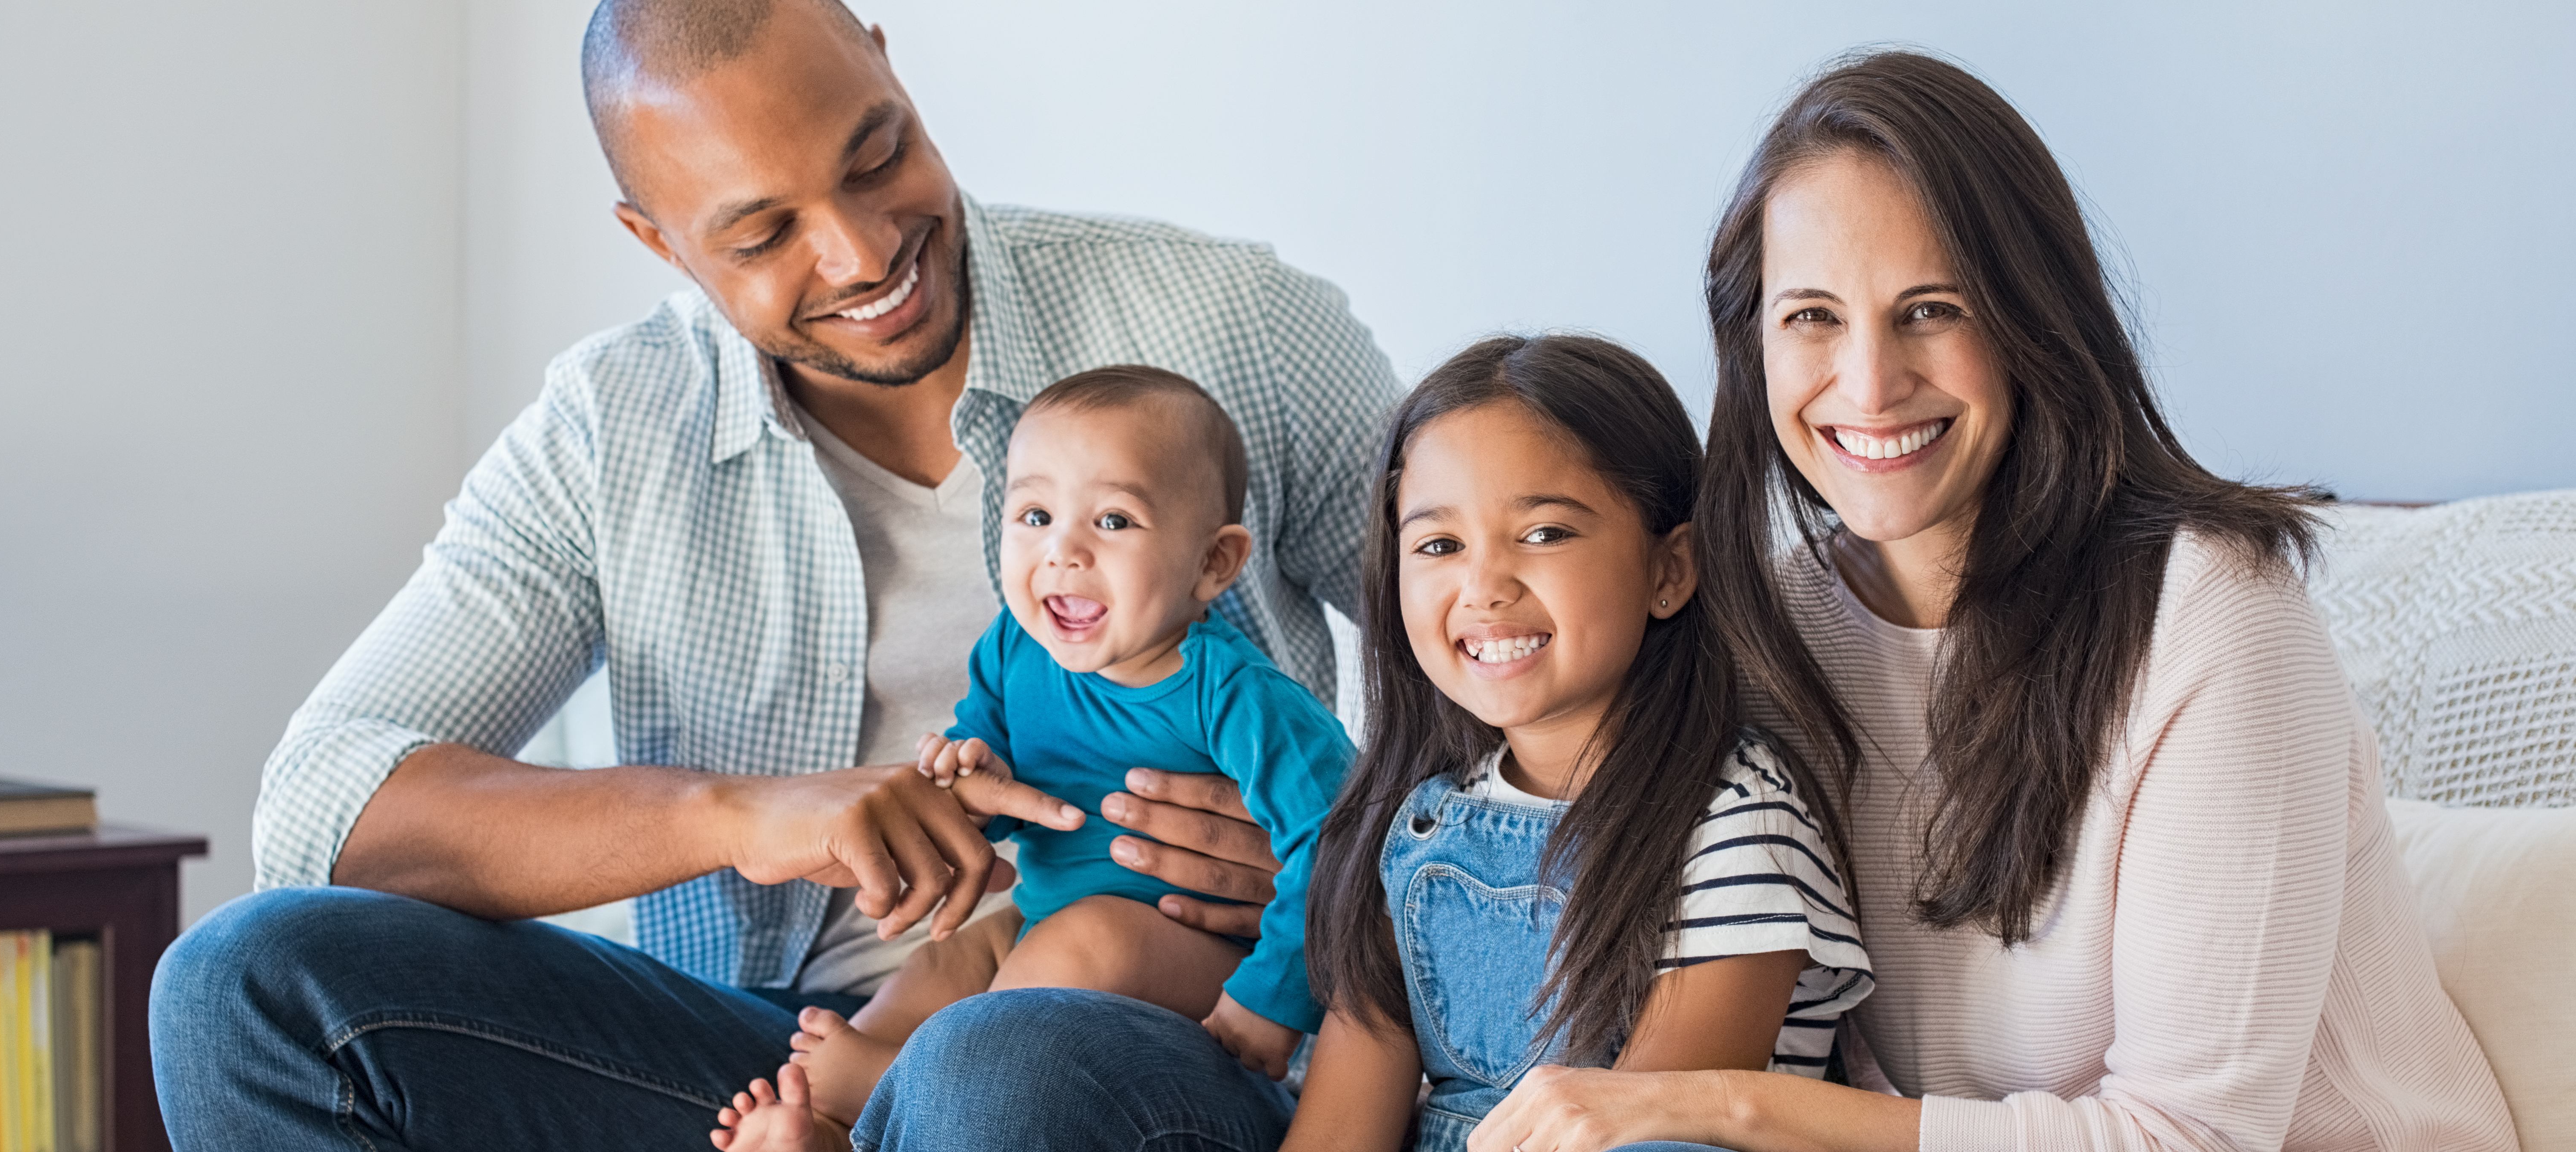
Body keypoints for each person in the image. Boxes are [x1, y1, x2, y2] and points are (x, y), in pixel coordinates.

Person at [145, 0, 1397, 1147]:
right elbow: (323, 804)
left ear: (889, 69)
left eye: (875, 155)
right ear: (659, 241)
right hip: (784, 1066)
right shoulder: (612, 428)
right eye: (764, 232)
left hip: (1148, 1042)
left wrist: (1335, 866)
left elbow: (1520, 674)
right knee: (245, 980)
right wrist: (739, 815)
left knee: (993, 1061)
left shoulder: (1229, 328)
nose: (863, 253)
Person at [1465, 51, 2517, 1152]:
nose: (1869, 384)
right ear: (1753, 343)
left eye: (1931, 309)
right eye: (1814, 316)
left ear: (2031, 320)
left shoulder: (2215, 615)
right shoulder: (1773, 624)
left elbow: (2190, 1138)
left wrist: (1721, 1100)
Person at [711, 367, 1352, 1150]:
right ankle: (832, 1120)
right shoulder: (1016, 647)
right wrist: (966, 779)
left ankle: (897, 1087)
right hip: (1040, 924)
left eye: (1114, 521)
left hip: (1199, 960)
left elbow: (1340, 843)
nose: (1064, 552)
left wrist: (1271, 999)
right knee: (952, 955)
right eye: (1036, 514)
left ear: (1213, 564)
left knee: (1089, 942)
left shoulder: (1237, 695)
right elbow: (984, 753)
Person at [1277, 335, 1871, 1152]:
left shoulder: (1739, 819)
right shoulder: (1418, 824)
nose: (1484, 586)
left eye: (1546, 533)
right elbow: (1340, 1130)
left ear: (1670, 569)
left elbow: (1639, 1123)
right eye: (1440, 545)